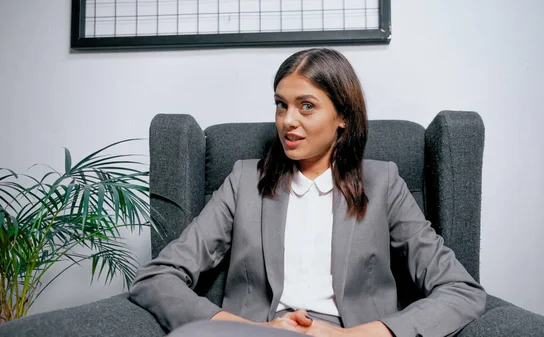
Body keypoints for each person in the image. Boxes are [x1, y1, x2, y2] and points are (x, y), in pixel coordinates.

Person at [128, 48, 486, 337]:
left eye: (307, 106)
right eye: (281, 104)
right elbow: (157, 278)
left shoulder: (383, 183)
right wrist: (247, 328)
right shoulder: (244, 181)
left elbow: (461, 290)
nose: (288, 120)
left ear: (343, 116)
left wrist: (355, 336)